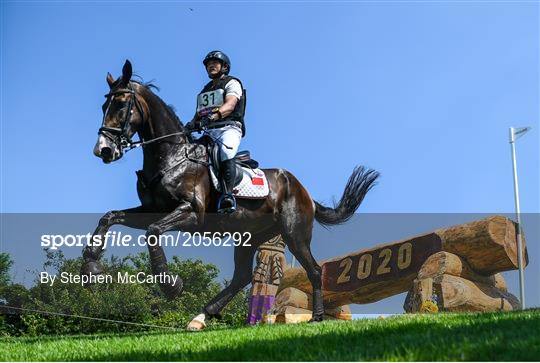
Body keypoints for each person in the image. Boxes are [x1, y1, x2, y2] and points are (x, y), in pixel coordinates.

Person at [186, 50, 246, 214]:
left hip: (229, 128)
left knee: (226, 152)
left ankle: (227, 196)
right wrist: (190, 125)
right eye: (208, 64)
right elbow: (199, 114)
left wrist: (214, 116)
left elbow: (230, 105)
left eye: (214, 63)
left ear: (225, 67)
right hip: (210, 132)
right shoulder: (204, 91)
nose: (210, 66)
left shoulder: (232, 82)